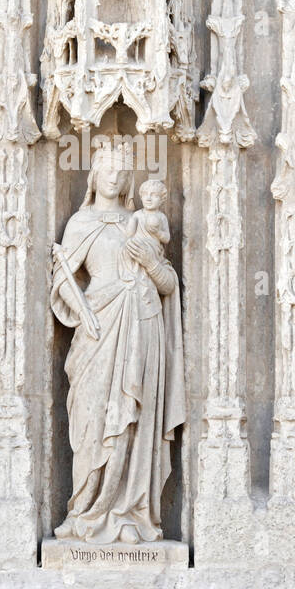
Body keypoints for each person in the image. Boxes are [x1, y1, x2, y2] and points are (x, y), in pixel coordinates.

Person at [50, 145, 185, 544]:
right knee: (93, 419)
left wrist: (152, 262)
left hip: (143, 327)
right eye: (107, 167)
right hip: (97, 331)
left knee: (134, 417)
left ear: (130, 179)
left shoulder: (144, 221)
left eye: (122, 169)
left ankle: (129, 513)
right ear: (94, 174)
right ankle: (84, 509)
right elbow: (62, 281)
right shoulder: (80, 223)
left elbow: (169, 285)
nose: (114, 175)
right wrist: (81, 307)